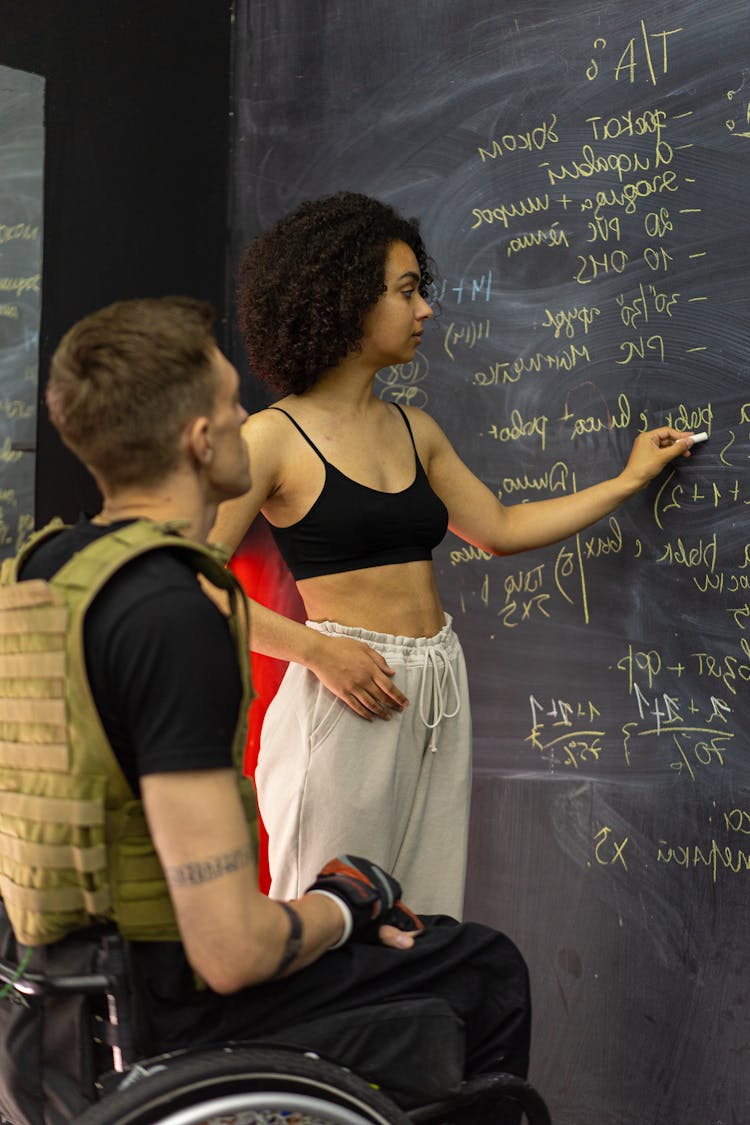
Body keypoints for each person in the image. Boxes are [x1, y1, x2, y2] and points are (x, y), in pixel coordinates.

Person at [0, 296, 533, 1120]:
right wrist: (348, 899)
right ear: (198, 440)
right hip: (165, 1002)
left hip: (52, 999)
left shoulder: (35, 579)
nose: (249, 416)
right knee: (483, 968)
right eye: (230, 405)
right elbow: (234, 951)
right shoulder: (175, 614)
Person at [209, 191, 697, 919]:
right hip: (348, 688)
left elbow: (499, 526)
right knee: (327, 921)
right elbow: (189, 577)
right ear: (347, 301)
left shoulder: (416, 428)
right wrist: (316, 651)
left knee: (425, 920)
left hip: (437, 682)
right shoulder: (272, 439)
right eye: (406, 292)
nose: (425, 310)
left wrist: (628, 480)